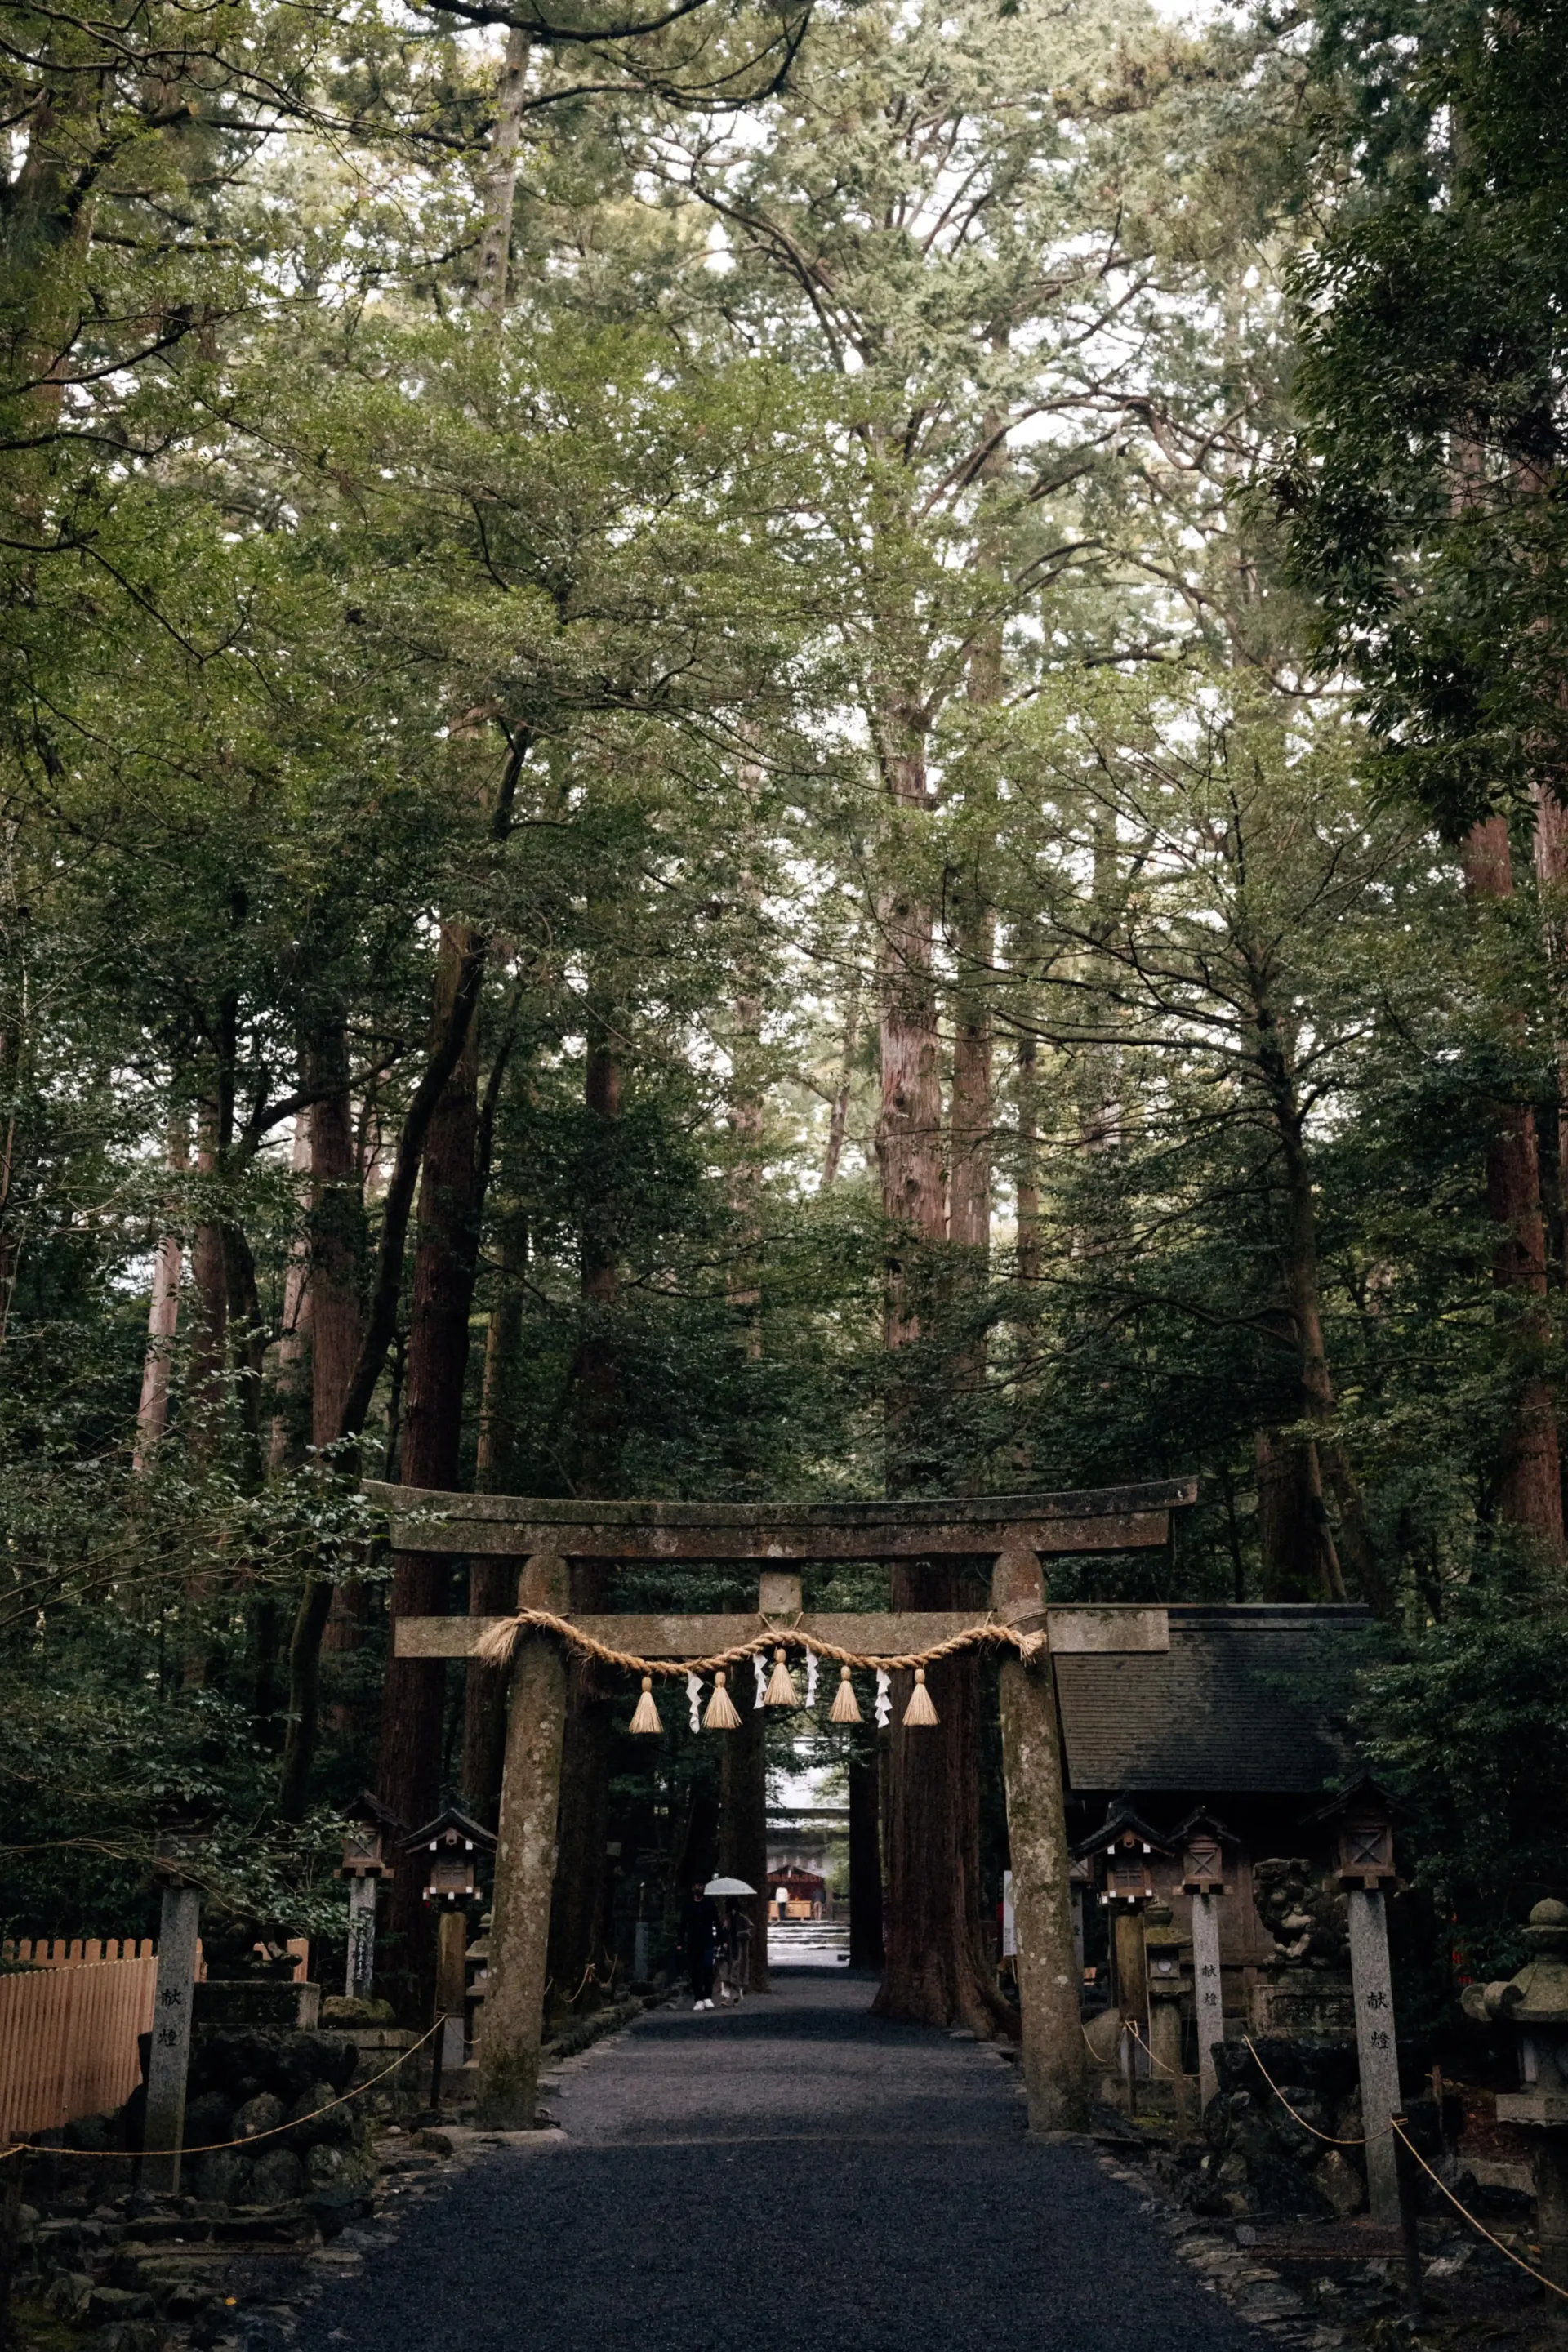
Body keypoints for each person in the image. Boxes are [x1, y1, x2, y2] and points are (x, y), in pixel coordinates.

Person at [680, 1879, 721, 2010]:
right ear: (693, 1887)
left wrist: (721, 1939)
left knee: (708, 1968)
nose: (700, 1888)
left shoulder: (709, 1903)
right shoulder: (688, 1905)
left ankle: (708, 1996)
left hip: (708, 1939)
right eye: (698, 1886)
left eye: (702, 1886)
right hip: (693, 1941)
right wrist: (680, 1941)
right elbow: (682, 1924)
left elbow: (717, 1922)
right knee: (695, 1970)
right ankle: (698, 1998)